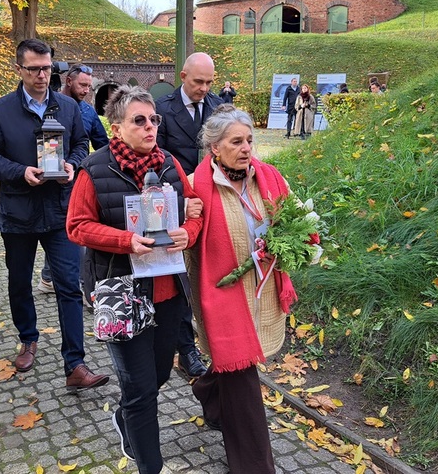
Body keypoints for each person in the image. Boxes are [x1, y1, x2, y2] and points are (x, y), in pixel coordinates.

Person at [67, 85, 203, 473]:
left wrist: (189, 233)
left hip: (168, 290)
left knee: (158, 374)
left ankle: (124, 419)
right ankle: (150, 466)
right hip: (120, 292)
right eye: (139, 121)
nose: (150, 127)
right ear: (116, 129)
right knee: (141, 391)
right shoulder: (95, 169)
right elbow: (76, 226)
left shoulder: (170, 165)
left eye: (154, 120)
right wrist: (127, 241)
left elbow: (196, 212)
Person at [0, 38, 109, 392]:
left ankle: (75, 363)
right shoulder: (0, 110)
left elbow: (82, 144)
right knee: (19, 282)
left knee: (69, 285)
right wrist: (20, 172)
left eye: (47, 68)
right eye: (34, 69)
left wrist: (73, 164)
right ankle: (28, 338)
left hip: (60, 210)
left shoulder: (67, 107)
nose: (41, 75)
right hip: (18, 212)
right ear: (18, 69)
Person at [187, 104, 289, 474]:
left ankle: (209, 391)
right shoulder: (197, 185)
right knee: (243, 375)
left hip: (262, 289)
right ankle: (254, 466)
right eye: (236, 142)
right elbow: (190, 236)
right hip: (223, 294)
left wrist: (301, 240)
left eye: (249, 140)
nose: (246, 148)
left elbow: (289, 219)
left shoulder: (269, 177)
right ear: (214, 147)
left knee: (233, 367)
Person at [155, 52, 223, 378]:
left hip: (213, 203)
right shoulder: (163, 110)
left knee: (206, 274)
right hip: (180, 204)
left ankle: (213, 341)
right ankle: (186, 349)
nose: (204, 88)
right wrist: (183, 201)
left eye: (209, 82)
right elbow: (159, 163)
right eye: (198, 82)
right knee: (181, 278)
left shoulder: (219, 107)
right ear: (183, 76)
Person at [38, 64, 109, 294]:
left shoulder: (88, 112)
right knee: (63, 229)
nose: (87, 90)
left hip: (78, 179)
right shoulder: (50, 105)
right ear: (69, 81)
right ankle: (75, 282)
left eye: (89, 86)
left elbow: (101, 143)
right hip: (47, 179)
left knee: (73, 228)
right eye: (83, 85)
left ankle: (54, 278)